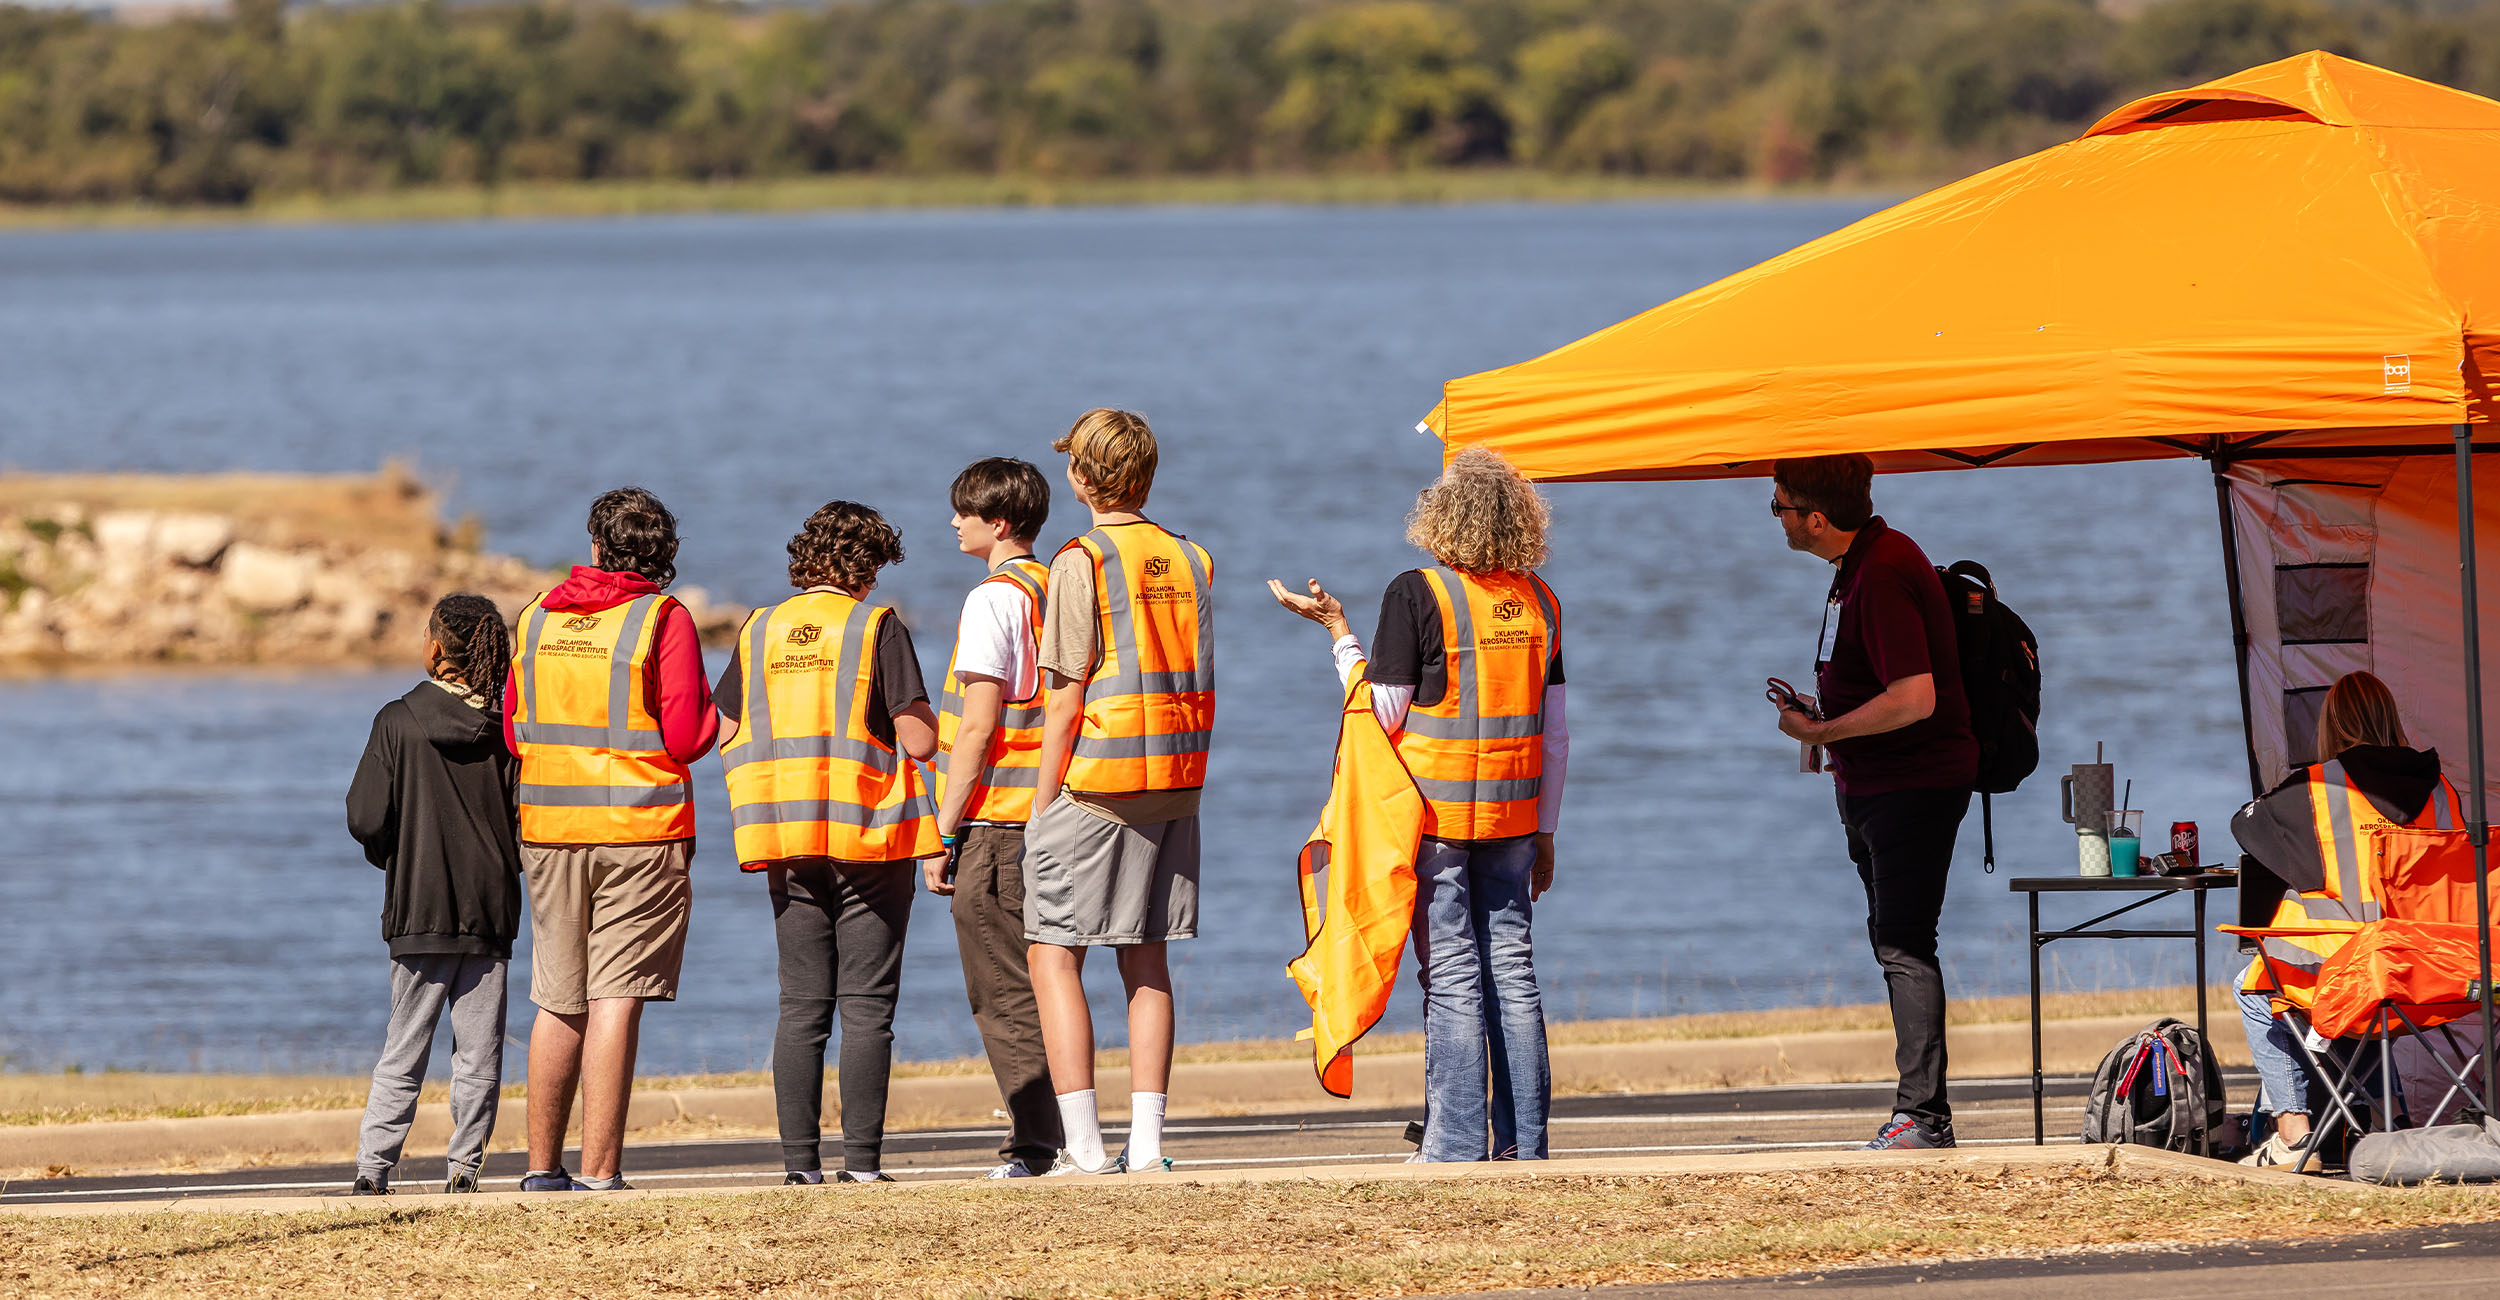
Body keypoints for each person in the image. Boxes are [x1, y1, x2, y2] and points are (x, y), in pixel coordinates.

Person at [1269, 446, 1568, 1162]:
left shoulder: (1418, 593)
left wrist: (1338, 636)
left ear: (1443, 517)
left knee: (1455, 976)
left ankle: (1455, 1144)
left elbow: (1383, 712)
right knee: (1514, 971)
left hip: (1432, 823)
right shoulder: (1541, 601)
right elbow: (1555, 735)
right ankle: (1524, 1144)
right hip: (1515, 820)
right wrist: (1548, 831)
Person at [716, 501, 943, 1185]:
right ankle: (864, 1167)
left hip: (782, 833)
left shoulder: (759, 628)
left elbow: (725, 728)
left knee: (801, 1004)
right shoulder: (876, 626)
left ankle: (798, 1167)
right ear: (867, 567)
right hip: (867, 833)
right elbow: (919, 738)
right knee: (867, 1005)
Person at [503, 487, 718, 1192]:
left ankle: (541, 1170)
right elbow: (686, 738)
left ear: (595, 546)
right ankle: (600, 1173)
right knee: (616, 997)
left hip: (549, 830)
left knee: (557, 997)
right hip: (639, 829)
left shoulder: (535, 616)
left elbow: (514, 730)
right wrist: (724, 721)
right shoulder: (664, 619)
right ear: (665, 555)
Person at [1767, 453, 1977, 1151]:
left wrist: (1823, 730)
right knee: (1893, 942)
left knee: (1904, 945)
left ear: (1816, 518)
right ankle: (1920, 1112)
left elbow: (1915, 697)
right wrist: (1820, 713)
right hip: (1871, 785)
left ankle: (1923, 1116)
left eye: (1780, 508)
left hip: (1912, 786)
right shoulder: (1857, 569)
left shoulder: (1883, 571)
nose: (1777, 520)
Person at [1027, 407, 1213, 1176]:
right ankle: (1148, 1147)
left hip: (1100, 777)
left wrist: (1042, 803)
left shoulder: (1081, 560)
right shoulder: (1192, 556)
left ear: (1081, 477)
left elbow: (1065, 696)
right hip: (1175, 775)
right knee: (1147, 958)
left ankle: (1084, 1146)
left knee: (1052, 952)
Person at [2231, 670, 2454, 1166]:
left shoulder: (2317, 786)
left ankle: (2292, 1137)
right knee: (2367, 998)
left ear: (2331, 725)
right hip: (2431, 972)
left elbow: (2246, 823)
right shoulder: (2441, 789)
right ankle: (2384, 1124)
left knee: (2256, 989)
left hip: (2361, 967)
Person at [343, 593, 523, 1195]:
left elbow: (366, 817)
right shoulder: (508, 728)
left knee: (405, 1045)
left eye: (426, 631)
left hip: (419, 908)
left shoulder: (397, 719)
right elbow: (525, 820)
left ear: (439, 647)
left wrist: (394, 855)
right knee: (479, 1052)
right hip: (490, 909)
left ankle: (374, 1168)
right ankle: (464, 1171)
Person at [929, 458, 1064, 1178]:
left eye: (964, 512)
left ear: (998, 523)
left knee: (1003, 988)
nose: (954, 522)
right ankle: (1068, 1128)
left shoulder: (992, 599)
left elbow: (977, 729)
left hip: (997, 820)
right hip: (1054, 812)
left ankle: (1036, 1143)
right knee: (1050, 978)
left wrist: (942, 832)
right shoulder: (1057, 588)